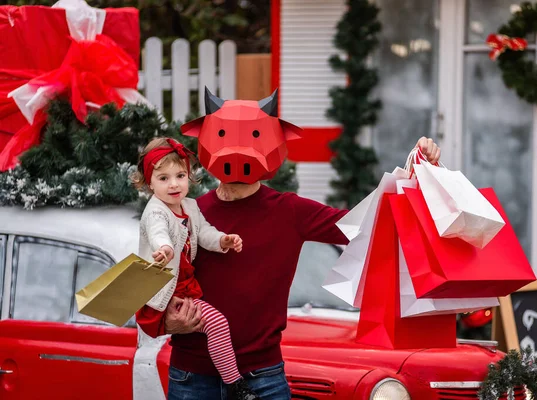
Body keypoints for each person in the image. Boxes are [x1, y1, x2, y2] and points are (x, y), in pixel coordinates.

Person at [137, 89, 441, 400]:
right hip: (193, 376)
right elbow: (148, 281)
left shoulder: (289, 211)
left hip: (262, 377)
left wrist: (417, 173)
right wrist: (165, 322)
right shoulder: (189, 214)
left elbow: (367, 226)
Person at [132, 137, 262, 400]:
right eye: (163, 178)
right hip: (165, 290)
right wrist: (165, 249)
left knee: (215, 324)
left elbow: (204, 233)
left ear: (189, 176)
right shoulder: (156, 211)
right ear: (149, 183)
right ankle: (235, 384)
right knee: (217, 323)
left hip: (184, 285)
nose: (174, 184)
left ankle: (233, 382)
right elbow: (158, 232)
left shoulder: (189, 206)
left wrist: (223, 240)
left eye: (180, 175)